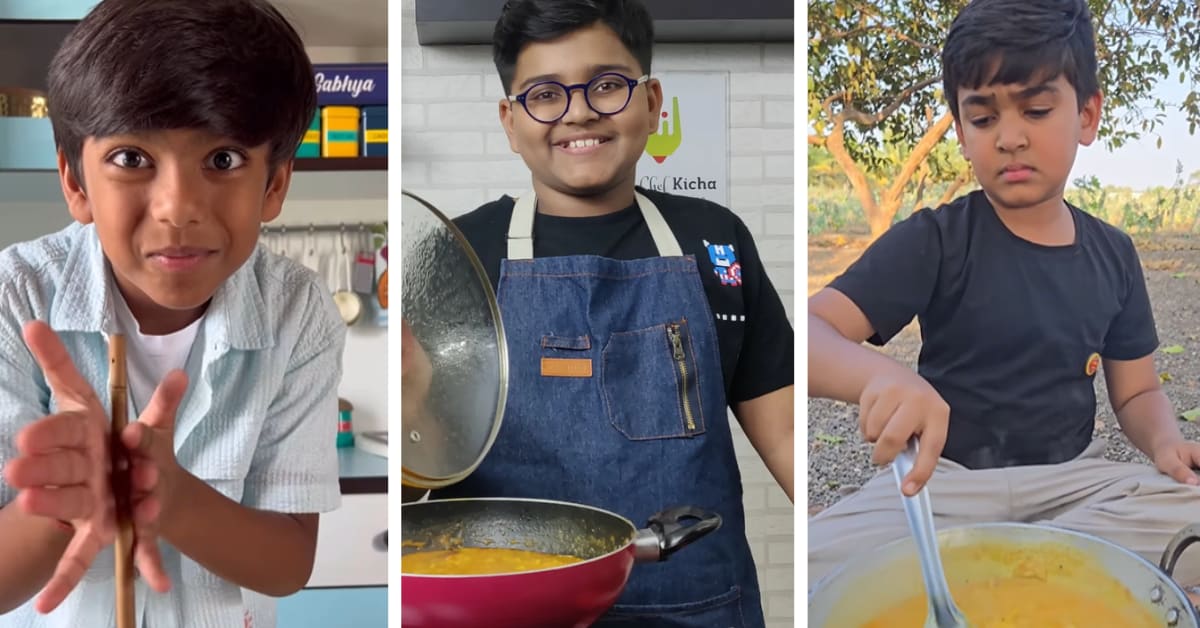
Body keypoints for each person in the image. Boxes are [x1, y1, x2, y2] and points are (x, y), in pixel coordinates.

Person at [401, 0, 794, 625]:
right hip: (508, 612)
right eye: (544, 94)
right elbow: (416, 489)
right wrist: (409, 395)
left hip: (699, 607)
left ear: (652, 102)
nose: (578, 111)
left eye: (607, 85)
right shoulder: (460, 255)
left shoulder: (714, 240)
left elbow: (787, 433)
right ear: (510, 121)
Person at [808, 0, 1200, 604]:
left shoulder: (1114, 253)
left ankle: (1004, 566)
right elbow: (808, 334)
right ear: (962, 134)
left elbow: (1138, 392)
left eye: (1036, 110)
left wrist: (1165, 442)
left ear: (1087, 115)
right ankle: (1052, 570)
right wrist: (880, 376)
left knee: (1190, 511)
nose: (1010, 137)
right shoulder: (935, 239)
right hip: (944, 486)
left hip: (1075, 485)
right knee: (809, 567)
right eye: (984, 118)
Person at [0, 1, 346, 626]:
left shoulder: (299, 310)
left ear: (274, 184)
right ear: (75, 182)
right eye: (132, 159)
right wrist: (71, 498)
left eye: (223, 160)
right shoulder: (15, 297)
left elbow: (289, 563)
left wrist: (173, 497)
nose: (178, 208)